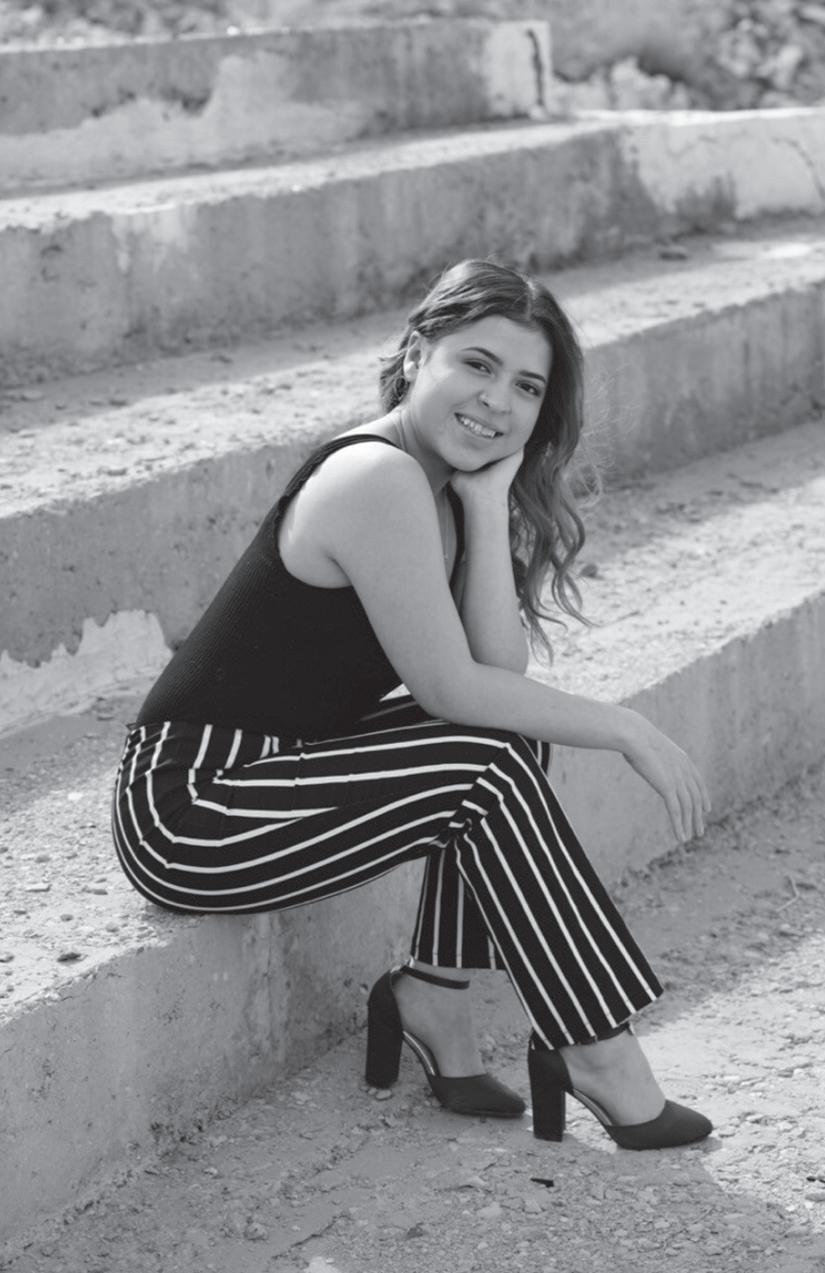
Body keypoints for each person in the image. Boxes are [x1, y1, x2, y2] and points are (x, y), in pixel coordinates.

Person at [112, 258, 713, 1150]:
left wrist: (486, 505)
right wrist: (623, 727)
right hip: (192, 811)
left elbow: (495, 671)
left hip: (276, 775)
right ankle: (596, 1047)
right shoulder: (376, 476)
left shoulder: (438, 487)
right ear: (415, 351)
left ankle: (434, 991)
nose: (497, 400)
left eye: (527, 386)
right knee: (484, 757)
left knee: (506, 735)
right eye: (477, 364)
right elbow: (450, 690)